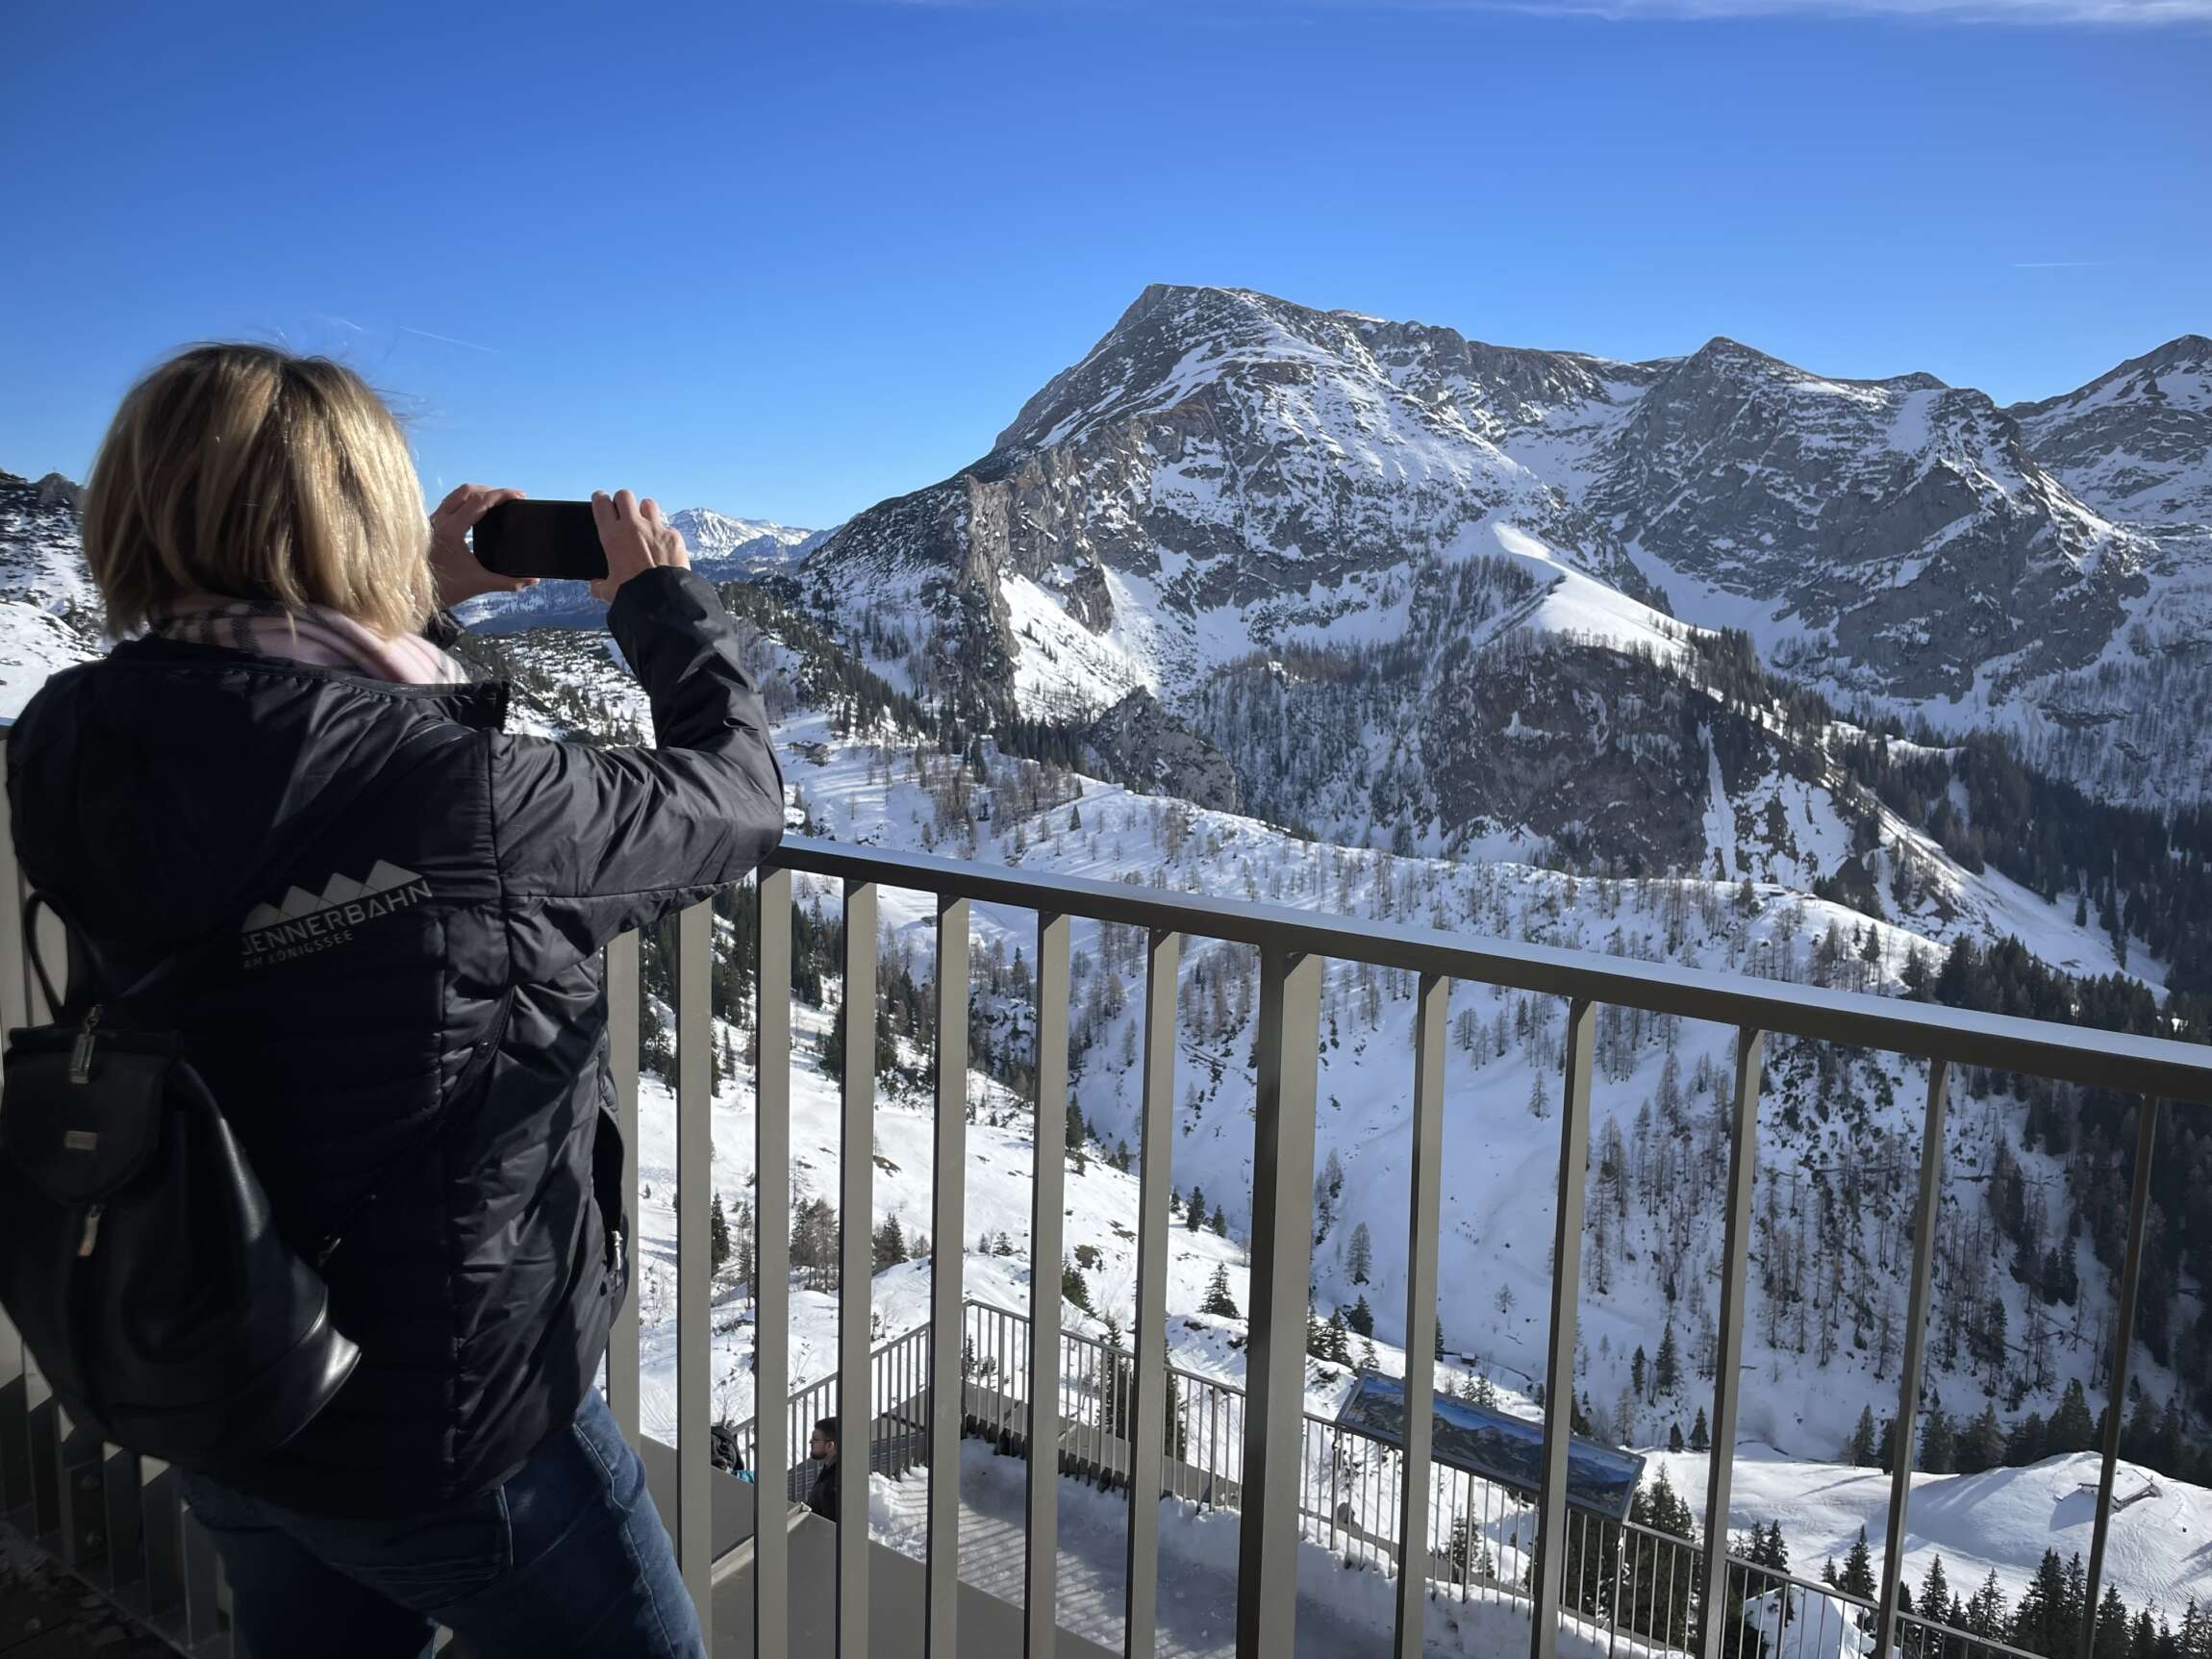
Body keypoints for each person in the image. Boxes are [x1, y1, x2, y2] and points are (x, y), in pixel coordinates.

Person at [4, 344, 786, 1658]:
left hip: (224, 1363)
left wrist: (408, 608)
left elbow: (265, 753)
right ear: (359, 516)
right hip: (455, 1423)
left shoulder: (73, 740)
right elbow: (736, 801)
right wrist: (658, 601)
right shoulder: (461, 790)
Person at [807, 1417, 840, 1522]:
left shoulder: (833, 1485)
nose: (810, 1441)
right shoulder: (830, 1470)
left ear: (830, 1445)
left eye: (815, 1439)